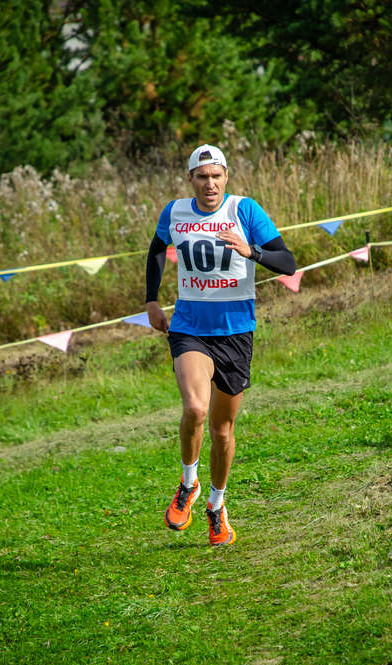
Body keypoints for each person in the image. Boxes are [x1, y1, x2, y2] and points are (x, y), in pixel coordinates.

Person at [145, 144, 296, 546]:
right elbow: (157, 248)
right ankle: (188, 483)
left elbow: (288, 262)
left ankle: (216, 505)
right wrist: (151, 300)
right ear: (190, 179)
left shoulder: (244, 210)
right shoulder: (175, 212)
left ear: (226, 176)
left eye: (216, 176)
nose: (209, 184)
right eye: (202, 176)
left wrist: (252, 251)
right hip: (190, 327)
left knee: (222, 431)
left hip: (235, 332)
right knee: (195, 408)